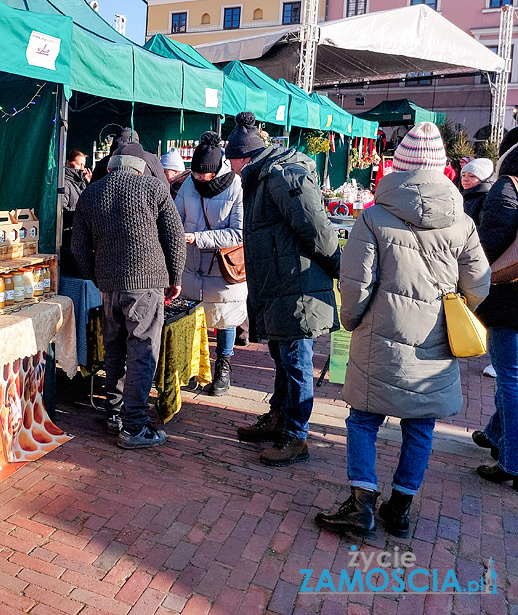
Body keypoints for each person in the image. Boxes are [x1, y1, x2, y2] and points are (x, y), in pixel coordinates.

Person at [315, 122, 490, 537]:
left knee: (362, 420)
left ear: (399, 166)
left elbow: (355, 284)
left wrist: (352, 321)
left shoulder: (373, 217)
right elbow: (479, 282)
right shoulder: (461, 220)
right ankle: (400, 507)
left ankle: (360, 505)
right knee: (421, 425)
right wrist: (456, 309)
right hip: (436, 342)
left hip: (380, 336)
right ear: (442, 168)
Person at [226, 112, 341, 466]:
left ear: (240, 157)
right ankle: (279, 419)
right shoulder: (262, 175)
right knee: (283, 360)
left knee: (295, 363)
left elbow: (317, 230)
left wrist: (338, 269)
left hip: (297, 288)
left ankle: (296, 435)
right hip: (280, 287)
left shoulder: (279, 175)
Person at [72, 154, 187, 449]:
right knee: (141, 352)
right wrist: (175, 277)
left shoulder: (91, 192)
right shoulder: (153, 187)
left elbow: (79, 246)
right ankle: (134, 425)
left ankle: (114, 414)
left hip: (109, 286)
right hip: (146, 284)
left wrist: (96, 278)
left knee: (115, 349)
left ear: (110, 169)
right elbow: (175, 236)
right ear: (140, 170)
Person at [173, 132, 246, 396]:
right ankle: (193, 369)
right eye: (195, 173)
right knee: (193, 319)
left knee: (225, 317)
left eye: (205, 173)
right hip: (191, 266)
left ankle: (223, 369)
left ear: (217, 169)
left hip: (224, 267)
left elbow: (239, 232)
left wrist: (198, 237)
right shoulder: (188, 184)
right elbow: (175, 214)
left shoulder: (237, 186)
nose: (199, 177)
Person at [473, 126, 518, 488]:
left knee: (511, 379)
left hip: (510, 301)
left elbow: (487, 248)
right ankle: (494, 433)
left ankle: (512, 462)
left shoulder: (505, 190)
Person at [92, 128, 170, 189]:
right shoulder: (151, 159)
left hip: (107, 205)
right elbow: (165, 187)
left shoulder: (103, 162)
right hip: (144, 204)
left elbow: (91, 188)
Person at [60, 149, 91, 278]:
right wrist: (80, 215)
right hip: (68, 235)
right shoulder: (65, 183)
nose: (82, 168)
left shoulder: (80, 182)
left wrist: (90, 184)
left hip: (78, 233)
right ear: (68, 163)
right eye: (79, 164)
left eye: (84, 165)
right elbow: (62, 210)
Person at [461, 157, 495, 224]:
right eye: (463, 175)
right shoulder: (466, 195)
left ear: (483, 179)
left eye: (472, 176)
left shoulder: (486, 198)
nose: (465, 179)